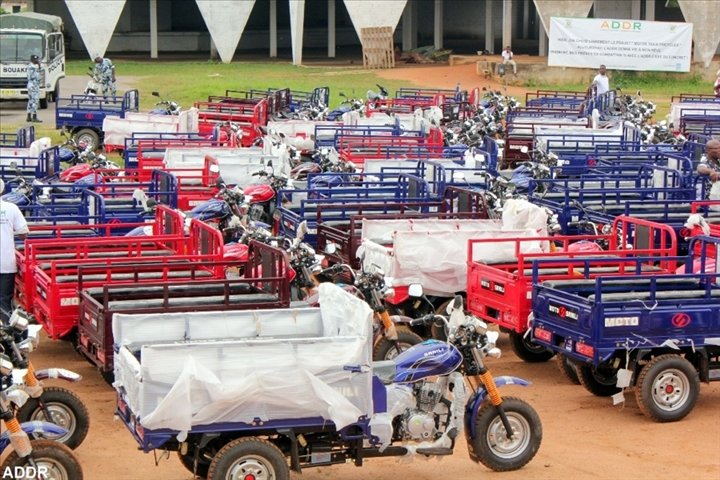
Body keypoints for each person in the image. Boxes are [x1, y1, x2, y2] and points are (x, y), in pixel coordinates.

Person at [0, 179, 29, 322]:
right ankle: (5, 336)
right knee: (4, 301)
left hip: (6, 264)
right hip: (5, 263)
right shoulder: (11, 208)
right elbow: (23, 233)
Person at [26, 54, 42, 123]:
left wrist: (39, 65)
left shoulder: (31, 66)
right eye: (36, 60)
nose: (37, 61)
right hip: (34, 85)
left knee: (30, 101)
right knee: (35, 101)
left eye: (37, 59)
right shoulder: (32, 67)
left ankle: (29, 116)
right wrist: (39, 65)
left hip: (31, 85)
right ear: (32, 60)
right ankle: (34, 117)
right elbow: (37, 75)